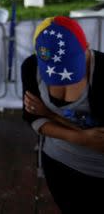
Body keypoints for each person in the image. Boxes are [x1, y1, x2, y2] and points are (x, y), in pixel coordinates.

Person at [21, 16, 104, 213]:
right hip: (57, 163)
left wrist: (49, 113)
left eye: (70, 63)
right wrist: (81, 137)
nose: (63, 76)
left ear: (87, 46)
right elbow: (32, 116)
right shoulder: (31, 66)